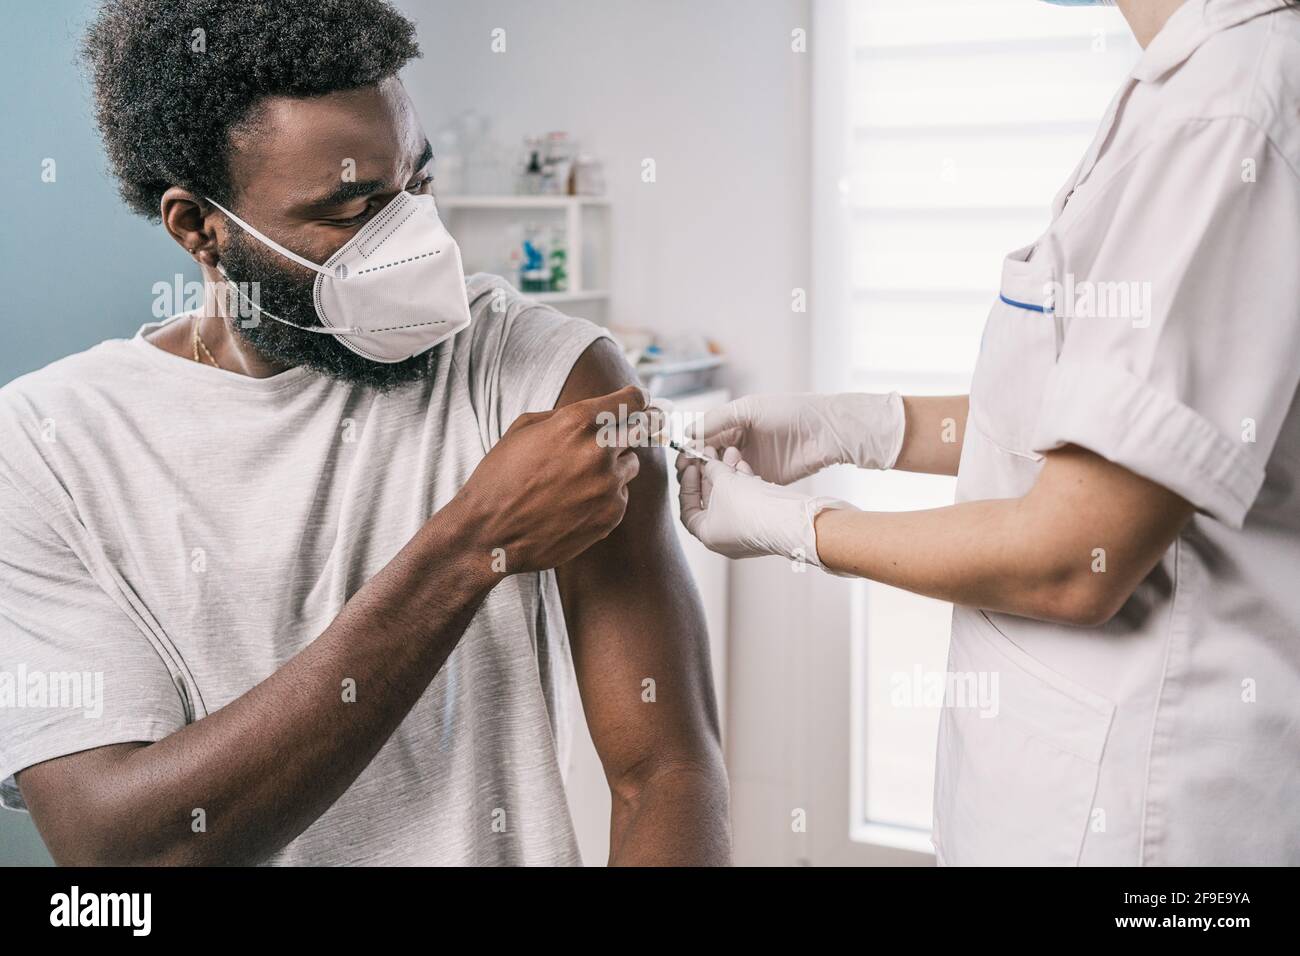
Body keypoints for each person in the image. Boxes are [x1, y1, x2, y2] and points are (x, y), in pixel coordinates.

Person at [0, 0, 729, 866]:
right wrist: (473, 545)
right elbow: (119, 846)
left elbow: (667, 771)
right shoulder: (46, 446)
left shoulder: (541, 377)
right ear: (199, 228)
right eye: (352, 211)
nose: (416, 241)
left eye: (414, 186)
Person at [679, 0, 1300, 865]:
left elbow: (1071, 557)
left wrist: (797, 527)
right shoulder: (1179, 85)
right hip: (1059, 788)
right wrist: (862, 428)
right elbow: (1107, 430)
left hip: (1148, 818)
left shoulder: (1229, 109)